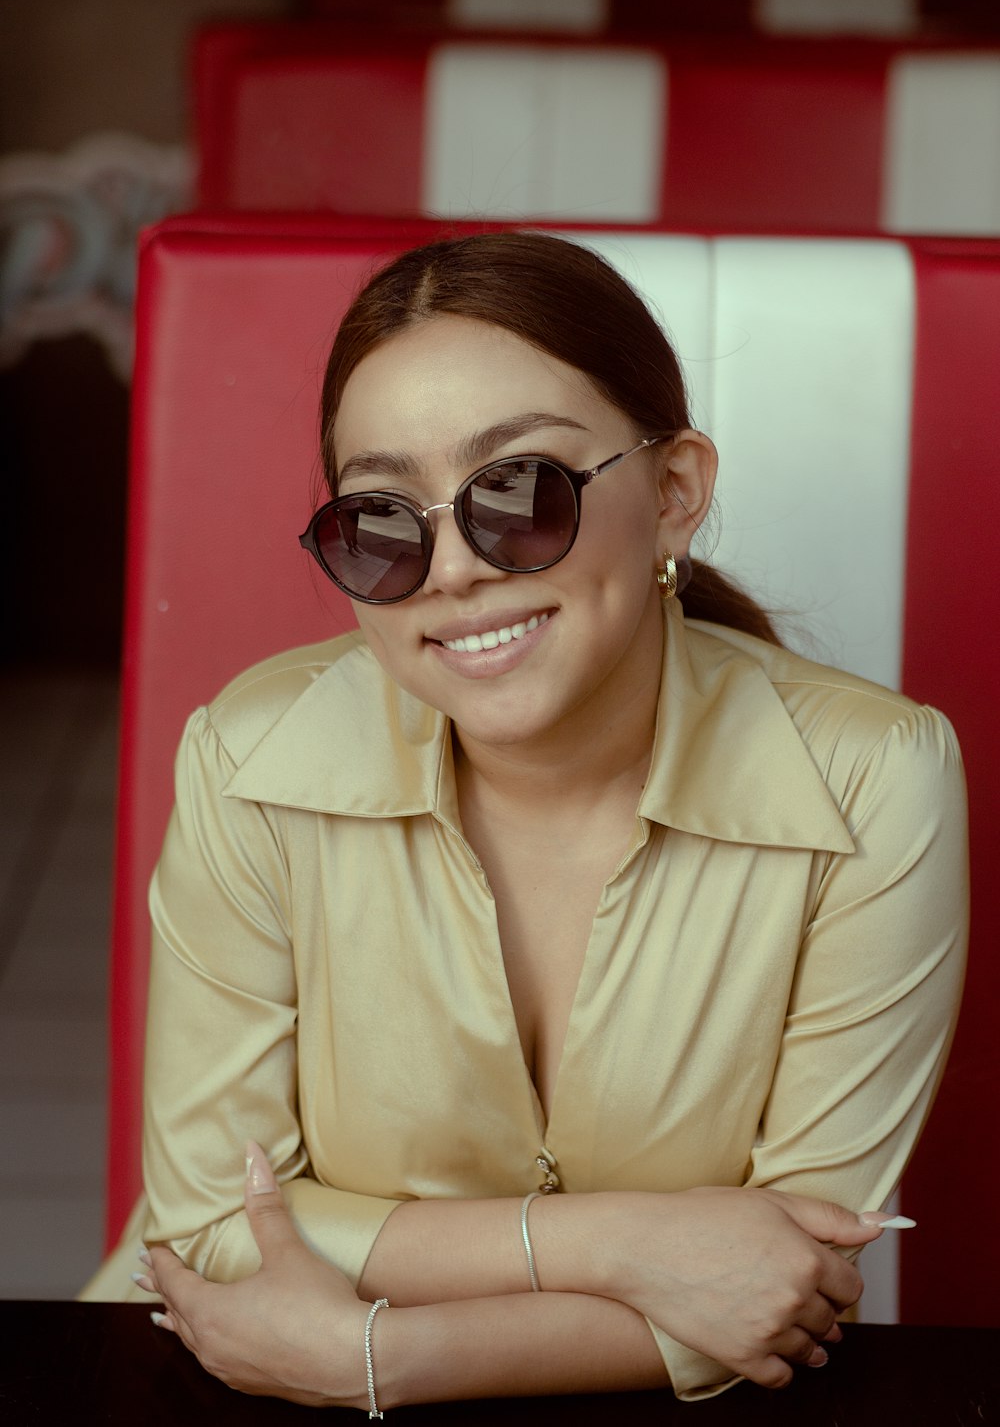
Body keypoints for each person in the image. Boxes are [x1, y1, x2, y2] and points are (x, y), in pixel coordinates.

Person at [85, 231, 968, 1409]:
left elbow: (780, 1282)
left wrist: (380, 1359)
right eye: (383, 523)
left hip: (305, 1361)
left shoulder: (876, 779)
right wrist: (623, 1248)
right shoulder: (249, 756)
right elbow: (208, 1224)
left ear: (672, 494)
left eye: (517, 492)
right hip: (221, 1377)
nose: (451, 570)